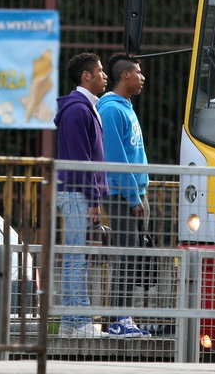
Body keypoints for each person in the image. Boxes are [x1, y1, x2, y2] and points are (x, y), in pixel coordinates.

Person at [54, 52, 109, 338]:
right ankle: (81, 322)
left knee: (77, 258)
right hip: (78, 195)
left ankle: (70, 324)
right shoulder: (78, 110)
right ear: (86, 76)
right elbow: (81, 160)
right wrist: (94, 200)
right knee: (78, 260)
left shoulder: (83, 107)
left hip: (78, 194)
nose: (104, 76)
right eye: (100, 71)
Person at [97, 53, 152, 338]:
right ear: (126, 75)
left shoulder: (126, 107)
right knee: (127, 255)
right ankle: (119, 318)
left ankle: (124, 316)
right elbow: (116, 158)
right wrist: (133, 197)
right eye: (139, 72)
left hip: (133, 193)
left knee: (134, 254)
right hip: (121, 194)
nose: (143, 77)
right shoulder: (111, 110)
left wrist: (141, 193)